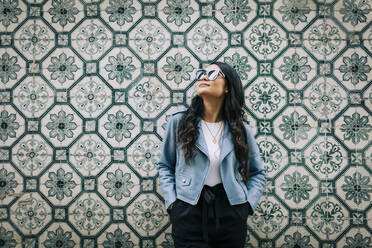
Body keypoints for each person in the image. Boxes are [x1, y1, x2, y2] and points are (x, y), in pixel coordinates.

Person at [157, 61, 266, 248]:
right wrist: (173, 204)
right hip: (188, 212)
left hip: (231, 213)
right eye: (202, 73)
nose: (204, 77)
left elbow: (258, 172)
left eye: (214, 74)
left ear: (227, 87)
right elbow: (165, 165)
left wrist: (247, 205)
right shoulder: (179, 122)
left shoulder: (241, 129)